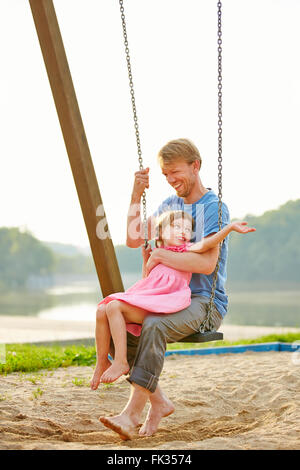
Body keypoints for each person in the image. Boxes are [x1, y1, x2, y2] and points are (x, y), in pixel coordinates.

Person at [96, 138, 247, 440]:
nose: (170, 180)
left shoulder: (213, 208)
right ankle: (159, 400)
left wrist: (163, 255)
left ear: (196, 166)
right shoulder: (169, 206)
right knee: (116, 323)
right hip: (165, 295)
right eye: (165, 175)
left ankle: (131, 415)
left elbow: (205, 264)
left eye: (175, 172)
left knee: (154, 324)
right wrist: (136, 193)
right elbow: (133, 239)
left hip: (203, 302)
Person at [90, 210, 255, 386]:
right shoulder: (157, 252)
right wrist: (146, 259)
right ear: (161, 232)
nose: (183, 231)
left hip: (166, 301)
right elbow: (148, 281)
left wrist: (228, 229)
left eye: (187, 228)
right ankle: (102, 362)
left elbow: (208, 243)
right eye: (176, 226)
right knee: (102, 310)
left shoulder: (186, 250)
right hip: (150, 298)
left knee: (114, 307)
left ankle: (121, 361)